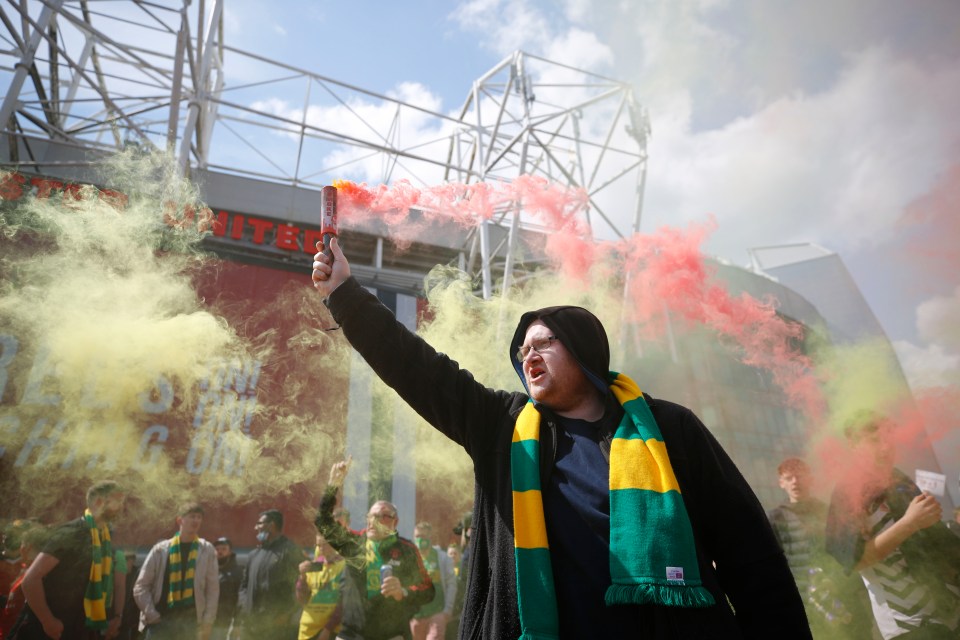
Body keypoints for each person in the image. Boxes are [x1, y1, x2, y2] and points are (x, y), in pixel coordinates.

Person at [311, 239, 810, 639]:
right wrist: (345, 294)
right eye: (523, 349)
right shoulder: (501, 427)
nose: (529, 356)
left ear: (586, 350)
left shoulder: (670, 429)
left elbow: (751, 556)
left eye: (545, 343)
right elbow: (420, 370)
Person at [826, 412, 960, 639]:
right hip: (910, 624)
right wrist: (910, 522)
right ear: (854, 445)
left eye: (889, 438)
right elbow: (856, 560)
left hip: (950, 610)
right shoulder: (847, 493)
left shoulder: (900, 480)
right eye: (874, 441)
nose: (886, 448)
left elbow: (939, 546)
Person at [315, 461, 435, 640]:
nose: (374, 521)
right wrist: (333, 485)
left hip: (392, 635)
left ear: (395, 522)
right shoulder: (353, 543)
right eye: (371, 516)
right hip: (351, 634)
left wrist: (403, 591)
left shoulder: (407, 550)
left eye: (382, 516)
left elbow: (428, 591)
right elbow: (323, 522)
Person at [768, 458, 873, 639]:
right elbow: (775, 564)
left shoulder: (827, 511)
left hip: (844, 595)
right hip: (807, 602)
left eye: (799, 476)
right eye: (789, 477)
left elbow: (846, 553)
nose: (795, 481)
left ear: (810, 479)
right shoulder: (776, 518)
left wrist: (836, 580)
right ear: (781, 483)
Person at [11, 480, 126, 640]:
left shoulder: (104, 539)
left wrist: (116, 617)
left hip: (80, 629)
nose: (121, 507)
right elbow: (30, 580)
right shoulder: (71, 534)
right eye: (117, 501)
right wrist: (48, 621)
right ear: (99, 502)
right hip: (48, 631)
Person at [133, 502, 219, 639]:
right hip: (160, 622)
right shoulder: (160, 550)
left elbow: (212, 589)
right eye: (192, 516)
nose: (196, 520)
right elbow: (141, 586)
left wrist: (208, 621)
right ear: (180, 520)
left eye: (199, 517)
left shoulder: (206, 550)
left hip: (191, 623)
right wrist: (152, 615)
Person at [235, 509, 303, 640]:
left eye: (259, 523)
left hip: (276, 626)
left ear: (271, 525)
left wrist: (287, 613)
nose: (256, 527)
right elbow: (244, 586)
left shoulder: (290, 550)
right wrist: (244, 607)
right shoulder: (253, 554)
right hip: (250, 625)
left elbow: (300, 584)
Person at [0, 524, 49, 638]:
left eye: (22, 543)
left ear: (27, 547)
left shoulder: (38, 576)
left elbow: (26, 615)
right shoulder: (30, 571)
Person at [409, 522, 456, 640]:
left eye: (423, 536)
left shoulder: (442, 558)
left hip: (437, 613)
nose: (420, 539)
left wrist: (447, 611)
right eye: (417, 536)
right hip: (416, 616)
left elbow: (451, 584)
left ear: (430, 537)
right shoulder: (410, 559)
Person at [295, 533, 344, 640]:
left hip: (331, 630)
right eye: (318, 545)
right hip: (307, 629)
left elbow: (343, 602)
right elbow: (302, 599)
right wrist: (302, 577)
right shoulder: (314, 566)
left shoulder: (343, 565)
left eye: (325, 544)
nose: (321, 548)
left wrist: (328, 629)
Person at [211, 537, 241, 640]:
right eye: (217, 549)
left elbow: (240, 600)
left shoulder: (237, 573)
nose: (220, 552)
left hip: (226, 624)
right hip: (208, 623)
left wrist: (237, 624)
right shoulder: (208, 571)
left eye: (223, 549)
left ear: (230, 552)